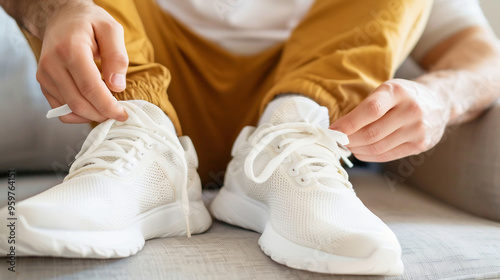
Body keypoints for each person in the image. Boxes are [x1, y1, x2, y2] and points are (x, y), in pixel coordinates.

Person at [0, 0, 499, 275]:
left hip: (317, 111)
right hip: (138, 82)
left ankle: (288, 150)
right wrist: (52, 8)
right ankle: (143, 149)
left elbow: (483, 55)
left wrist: (443, 98)